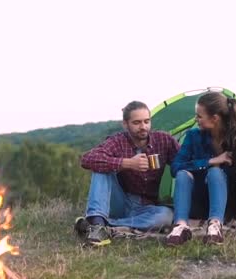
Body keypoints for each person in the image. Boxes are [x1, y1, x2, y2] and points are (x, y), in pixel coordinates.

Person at [165, 92, 236, 246]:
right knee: (182, 174)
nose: (196, 120)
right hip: (199, 200)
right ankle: (180, 227)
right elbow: (175, 167)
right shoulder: (194, 136)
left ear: (215, 118)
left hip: (225, 204)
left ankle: (215, 227)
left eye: (199, 116)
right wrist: (212, 160)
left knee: (215, 172)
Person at [75, 101, 180, 246]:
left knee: (166, 216)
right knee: (100, 167)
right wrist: (127, 163)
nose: (143, 127)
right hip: (120, 201)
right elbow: (87, 159)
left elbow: (182, 163)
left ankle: (99, 226)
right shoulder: (118, 141)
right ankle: (98, 223)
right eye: (136, 122)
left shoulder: (163, 140)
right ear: (125, 124)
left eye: (146, 121)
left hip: (145, 206)